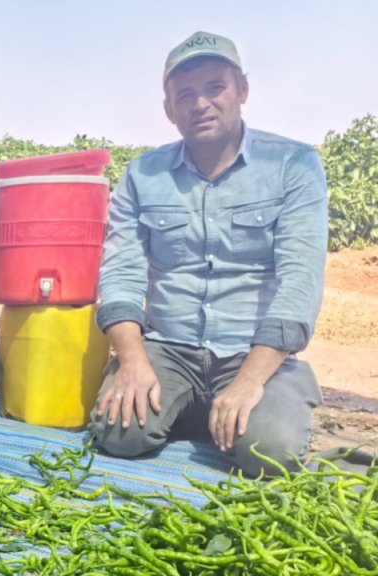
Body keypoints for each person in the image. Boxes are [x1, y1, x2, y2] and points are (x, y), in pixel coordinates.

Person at [90, 32, 327, 476]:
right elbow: (120, 274)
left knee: (269, 452)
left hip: (251, 352)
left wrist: (250, 381)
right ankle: (197, 409)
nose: (200, 103)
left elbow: (301, 283)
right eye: (185, 95)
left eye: (214, 87)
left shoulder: (293, 165)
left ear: (242, 90)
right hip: (168, 349)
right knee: (119, 434)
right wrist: (132, 361)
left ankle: (262, 400)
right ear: (169, 110)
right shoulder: (144, 173)